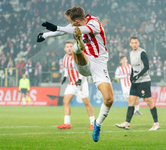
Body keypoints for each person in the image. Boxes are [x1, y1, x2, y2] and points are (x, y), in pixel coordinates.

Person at [37, 6, 114, 142]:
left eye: (72, 22)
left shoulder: (94, 24)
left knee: (109, 99)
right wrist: (45, 35)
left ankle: (97, 124)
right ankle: (78, 46)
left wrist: (56, 27)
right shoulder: (76, 26)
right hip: (84, 61)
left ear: (77, 21)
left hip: (99, 63)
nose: (70, 24)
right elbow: (63, 32)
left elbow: (74, 30)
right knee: (76, 49)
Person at [115, 37, 160, 130]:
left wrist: (138, 75)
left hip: (144, 81)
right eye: (132, 43)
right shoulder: (131, 53)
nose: (134, 44)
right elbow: (133, 67)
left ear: (138, 43)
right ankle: (127, 123)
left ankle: (156, 123)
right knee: (131, 100)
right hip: (136, 81)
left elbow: (147, 66)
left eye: (136, 42)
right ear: (130, 44)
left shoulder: (142, 53)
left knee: (148, 101)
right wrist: (132, 76)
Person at [57, 41, 95, 130]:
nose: (69, 48)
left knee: (86, 103)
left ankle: (93, 123)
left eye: (71, 46)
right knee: (65, 101)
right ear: (65, 48)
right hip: (71, 84)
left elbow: (83, 68)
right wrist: (65, 76)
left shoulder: (77, 56)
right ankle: (67, 123)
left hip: (81, 83)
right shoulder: (65, 58)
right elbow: (67, 68)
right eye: (67, 47)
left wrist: (80, 79)